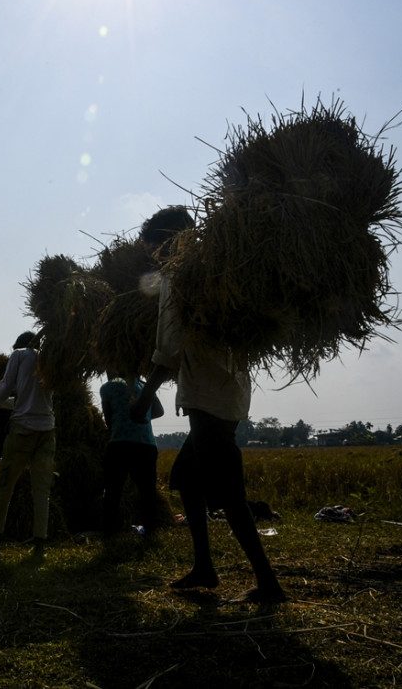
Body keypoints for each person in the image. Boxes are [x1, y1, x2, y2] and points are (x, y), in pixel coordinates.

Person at [129, 207, 286, 603]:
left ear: (165, 241)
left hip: (206, 394)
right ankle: (204, 567)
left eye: (154, 250)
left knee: (230, 493)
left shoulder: (177, 276)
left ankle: (268, 582)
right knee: (186, 477)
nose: (155, 259)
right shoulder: (216, 270)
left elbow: (168, 347)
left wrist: (145, 398)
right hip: (228, 390)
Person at [0, 331, 56, 555]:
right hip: (47, 430)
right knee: (41, 490)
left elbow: (4, 393)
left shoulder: (19, 355)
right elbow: (29, 400)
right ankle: (39, 543)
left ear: (20, 345)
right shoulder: (51, 358)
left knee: (5, 483)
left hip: (22, 430)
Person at [99, 372, 164, 538]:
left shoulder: (107, 387)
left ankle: (110, 532)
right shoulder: (144, 386)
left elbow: (108, 420)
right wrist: (144, 415)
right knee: (147, 491)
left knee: (113, 490)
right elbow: (159, 411)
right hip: (146, 444)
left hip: (119, 442)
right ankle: (151, 530)